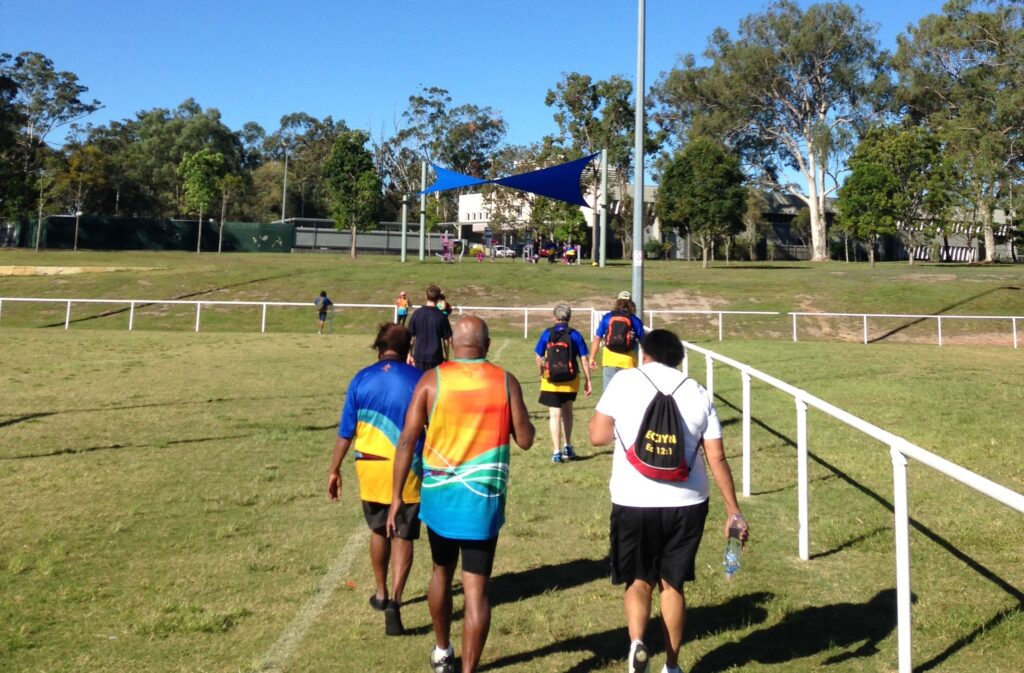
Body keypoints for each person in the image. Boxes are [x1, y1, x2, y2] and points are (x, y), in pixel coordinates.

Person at [588, 329, 749, 673]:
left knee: (638, 579)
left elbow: (597, 437)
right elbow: (716, 458)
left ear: (643, 353)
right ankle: (672, 665)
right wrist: (734, 512)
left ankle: (636, 644)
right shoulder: (697, 391)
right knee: (672, 584)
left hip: (633, 499)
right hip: (688, 503)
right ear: (679, 358)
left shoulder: (625, 382)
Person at [388, 316, 535, 673]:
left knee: (440, 573)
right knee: (476, 591)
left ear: (451, 342)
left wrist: (396, 498)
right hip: (482, 501)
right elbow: (526, 439)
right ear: (486, 343)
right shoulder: (505, 381)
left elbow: (407, 440)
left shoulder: (431, 380)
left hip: (439, 498)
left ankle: (442, 650)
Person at [327, 323, 424, 636]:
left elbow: (346, 431)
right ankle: (397, 598)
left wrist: (334, 469)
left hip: (369, 464)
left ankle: (381, 593)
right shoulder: (419, 379)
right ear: (409, 348)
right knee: (404, 534)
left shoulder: (361, 378)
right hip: (408, 467)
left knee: (379, 529)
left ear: (378, 348)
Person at [533, 303, 592, 463]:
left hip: (550, 379)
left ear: (554, 317)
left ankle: (556, 451)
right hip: (571, 379)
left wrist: (541, 372)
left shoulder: (547, 333)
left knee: (554, 414)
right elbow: (584, 359)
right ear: (569, 317)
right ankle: (568, 445)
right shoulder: (575, 335)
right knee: (568, 412)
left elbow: (538, 356)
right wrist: (588, 380)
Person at [590, 291, 646, 391]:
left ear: (617, 302)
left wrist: (592, 358)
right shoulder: (635, 320)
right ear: (631, 303)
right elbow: (644, 343)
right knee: (626, 394)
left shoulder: (607, 317)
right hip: (628, 362)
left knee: (608, 393)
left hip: (610, 360)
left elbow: (597, 338)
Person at [407, 285, 453, 371]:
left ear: (425, 296)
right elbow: (446, 340)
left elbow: (411, 337)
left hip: (419, 357)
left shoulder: (417, 314)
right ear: (438, 298)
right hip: (436, 358)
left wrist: (409, 354)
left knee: (420, 383)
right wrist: (447, 357)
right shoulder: (441, 316)